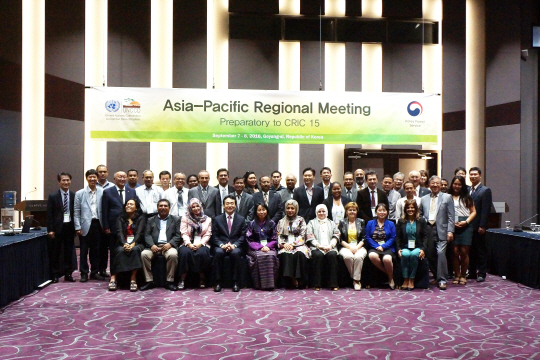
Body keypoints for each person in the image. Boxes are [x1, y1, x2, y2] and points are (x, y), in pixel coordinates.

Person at [420, 176, 455, 290]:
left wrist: (450, 231)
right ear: (429, 185)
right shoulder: (424, 198)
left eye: (437, 183)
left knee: (440, 253)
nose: (435, 185)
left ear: (441, 185)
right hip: (428, 229)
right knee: (429, 255)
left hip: (442, 230)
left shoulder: (447, 197)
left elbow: (451, 216)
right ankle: (436, 275)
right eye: (432, 183)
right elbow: (419, 214)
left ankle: (442, 280)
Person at [101, 171, 137, 277]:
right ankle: (114, 274)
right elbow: (104, 210)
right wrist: (106, 226)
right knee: (114, 251)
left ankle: (126, 274)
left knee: (127, 249)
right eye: (119, 177)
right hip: (113, 227)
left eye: (124, 177)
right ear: (114, 179)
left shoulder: (132, 191)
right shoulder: (107, 192)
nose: (122, 179)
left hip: (128, 226)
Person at [140, 199, 181, 291]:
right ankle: (149, 281)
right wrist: (151, 245)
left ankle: (169, 281)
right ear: (157, 208)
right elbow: (147, 234)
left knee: (173, 255)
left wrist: (170, 244)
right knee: (144, 254)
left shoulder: (176, 219)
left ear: (169, 208)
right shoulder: (150, 220)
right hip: (154, 246)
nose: (163, 208)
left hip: (168, 246)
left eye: (165, 206)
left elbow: (178, 235)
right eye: (161, 206)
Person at [211, 195, 247, 292]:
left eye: (232, 203)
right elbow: (214, 236)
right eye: (227, 203)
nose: (229, 205)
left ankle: (235, 282)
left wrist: (234, 245)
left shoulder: (241, 219)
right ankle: (218, 282)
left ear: (235, 205)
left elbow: (243, 236)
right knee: (218, 253)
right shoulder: (217, 219)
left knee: (235, 253)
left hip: (236, 245)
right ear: (223, 206)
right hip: (221, 245)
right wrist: (222, 245)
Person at [74, 169, 104, 282]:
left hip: (98, 224)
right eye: (90, 177)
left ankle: (95, 272)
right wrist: (77, 227)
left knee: (96, 250)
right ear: (87, 178)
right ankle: (84, 273)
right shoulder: (80, 193)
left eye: (94, 177)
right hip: (84, 225)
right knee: (83, 250)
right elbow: (76, 211)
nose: (92, 179)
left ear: (97, 178)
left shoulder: (102, 191)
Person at [110, 199, 146, 291]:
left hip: (137, 243)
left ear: (136, 208)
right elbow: (119, 233)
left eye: (131, 204)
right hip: (123, 243)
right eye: (127, 204)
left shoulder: (141, 218)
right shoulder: (120, 218)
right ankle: (113, 278)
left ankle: (133, 279)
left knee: (135, 250)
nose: (128, 206)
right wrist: (125, 244)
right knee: (119, 250)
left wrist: (133, 243)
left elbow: (140, 233)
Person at [46, 172, 76, 283]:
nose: (66, 182)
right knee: (56, 252)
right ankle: (55, 274)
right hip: (57, 228)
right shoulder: (53, 196)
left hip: (69, 227)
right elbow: (49, 215)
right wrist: (51, 229)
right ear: (59, 182)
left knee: (69, 252)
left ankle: (68, 273)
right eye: (63, 180)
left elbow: (76, 212)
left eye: (68, 180)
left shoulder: (74, 195)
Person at [177, 198, 212, 290]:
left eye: (197, 206)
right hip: (188, 242)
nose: (196, 208)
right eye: (193, 207)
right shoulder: (185, 218)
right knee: (185, 253)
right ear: (190, 208)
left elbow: (208, 234)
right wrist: (189, 244)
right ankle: (182, 279)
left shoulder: (207, 219)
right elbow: (183, 233)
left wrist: (200, 244)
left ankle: (202, 278)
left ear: (200, 206)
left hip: (202, 243)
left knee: (202, 253)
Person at [448, 176, 476, 286]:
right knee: (454, 252)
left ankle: (464, 275)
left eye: (459, 184)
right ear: (452, 184)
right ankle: (457, 275)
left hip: (466, 225)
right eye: (455, 184)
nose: (457, 186)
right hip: (452, 224)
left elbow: (473, 212)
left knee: (464, 252)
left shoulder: (467, 197)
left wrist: (466, 222)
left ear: (462, 185)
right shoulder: (448, 197)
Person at [276, 199, 310, 288]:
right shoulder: (281, 221)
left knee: (300, 253)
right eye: (288, 208)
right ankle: (289, 281)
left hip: (299, 244)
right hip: (286, 244)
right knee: (285, 253)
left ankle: (300, 281)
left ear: (296, 209)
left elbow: (303, 235)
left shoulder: (301, 220)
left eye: (292, 208)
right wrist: (284, 244)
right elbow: (278, 235)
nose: (290, 210)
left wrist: (293, 244)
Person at [396, 200, 428, 291]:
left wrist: (423, 249)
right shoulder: (401, 221)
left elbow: (425, 237)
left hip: (417, 247)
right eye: (408, 208)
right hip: (405, 247)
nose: (410, 209)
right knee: (405, 255)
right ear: (405, 209)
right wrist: (398, 248)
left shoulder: (421, 221)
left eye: (412, 207)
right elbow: (397, 237)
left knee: (414, 254)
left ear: (416, 209)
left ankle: (411, 279)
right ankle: (405, 279)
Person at [246, 203, 280, 290]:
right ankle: (259, 284)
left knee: (271, 255)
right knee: (259, 256)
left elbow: (275, 238)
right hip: (255, 248)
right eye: (259, 210)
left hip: (270, 247)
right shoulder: (251, 224)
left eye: (263, 210)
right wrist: (260, 247)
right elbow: (249, 239)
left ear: (267, 211)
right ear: (256, 212)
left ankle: (270, 284)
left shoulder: (272, 223)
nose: (261, 212)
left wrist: (268, 246)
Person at [307, 204, 340, 291]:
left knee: (332, 255)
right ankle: (317, 284)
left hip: (330, 247)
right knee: (318, 256)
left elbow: (336, 234)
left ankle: (333, 284)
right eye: (319, 211)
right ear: (316, 213)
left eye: (323, 211)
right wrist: (319, 246)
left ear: (327, 212)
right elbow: (310, 236)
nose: (321, 213)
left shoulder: (331, 223)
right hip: (316, 247)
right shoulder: (311, 222)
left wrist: (331, 245)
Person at [468, 167, 492, 282]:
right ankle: (472, 272)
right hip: (468, 226)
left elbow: (485, 210)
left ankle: (482, 273)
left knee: (480, 250)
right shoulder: (468, 190)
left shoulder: (485, 190)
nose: (473, 176)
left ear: (480, 176)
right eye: (471, 174)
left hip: (478, 226)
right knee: (470, 250)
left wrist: (483, 225)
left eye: (475, 175)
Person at [366, 203, 397, 289]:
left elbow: (392, 237)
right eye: (380, 210)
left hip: (387, 247)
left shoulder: (391, 224)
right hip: (374, 247)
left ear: (387, 212)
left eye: (384, 210)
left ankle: (390, 279)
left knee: (387, 259)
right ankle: (389, 274)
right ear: (376, 212)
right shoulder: (370, 223)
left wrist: (383, 246)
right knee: (372, 256)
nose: (382, 212)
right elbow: (368, 237)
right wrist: (376, 246)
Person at [338, 202, 367, 290]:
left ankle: (356, 281)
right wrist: (350, 248)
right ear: (346, 211)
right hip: (345, 246)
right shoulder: (342, 222)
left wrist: (357, 248)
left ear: (357, 211)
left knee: (358, 257)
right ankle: (355, 278)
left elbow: (364, 238)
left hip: (359, 246)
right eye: (350, 210)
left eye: (354, 210)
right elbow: (340, 239)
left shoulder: (361, 222)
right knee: (348, 257)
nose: (352, 212)